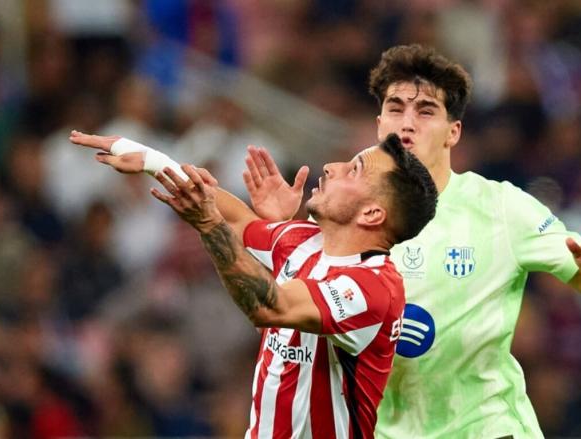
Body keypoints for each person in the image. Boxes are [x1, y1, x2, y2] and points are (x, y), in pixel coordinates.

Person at [239, 44, 581, 438]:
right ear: (379, 123)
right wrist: (277, 225)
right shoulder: (343, 212)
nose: (407, 123)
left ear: (454, 132)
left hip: (487, 428)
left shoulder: (500, 207)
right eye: (395, 108)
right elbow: (283, 310)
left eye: (426, 111)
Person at [69, 129, 438, 438]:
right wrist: (153, 161)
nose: (332, 166)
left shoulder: (374, 289)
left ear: (373, 213)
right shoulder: (303, 241)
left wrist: (208, 225)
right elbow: (238, 222)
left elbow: (270, 306)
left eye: (354, 170)